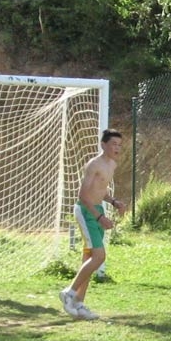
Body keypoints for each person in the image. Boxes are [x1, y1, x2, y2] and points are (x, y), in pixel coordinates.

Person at [59, 130, 126, 320]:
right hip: (86, 212)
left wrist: (113, 202)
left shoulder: (112, 164)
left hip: (97, 211)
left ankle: (78, 303)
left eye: (119, 145)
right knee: (99, 256)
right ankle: (69, 292)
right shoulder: (94, 165)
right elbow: (83, 195)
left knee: (89, 257)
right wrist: (99, 218)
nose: (117, 148)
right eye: (113, 144)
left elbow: (100, 189)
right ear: (103, 145)